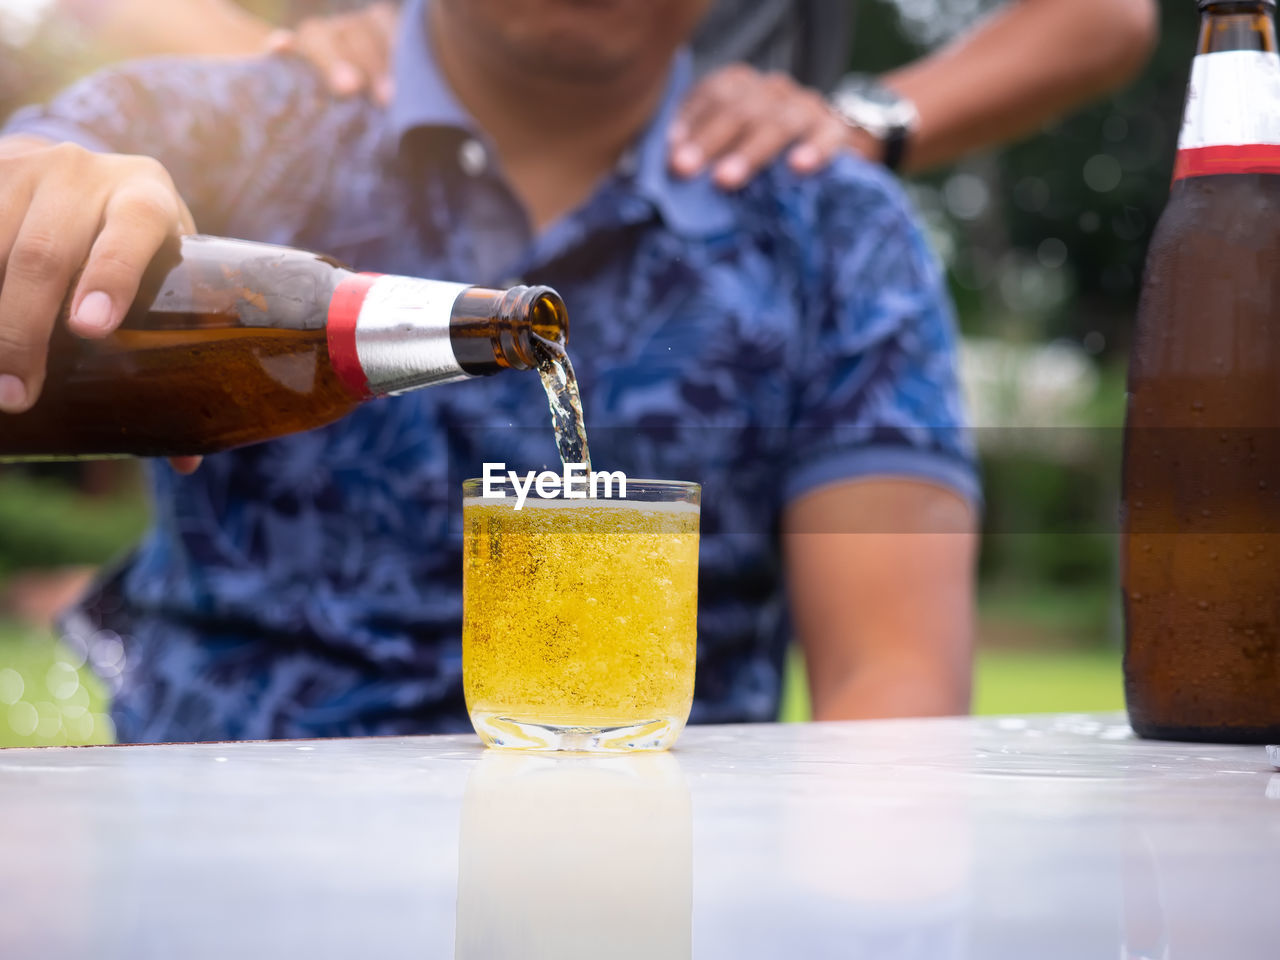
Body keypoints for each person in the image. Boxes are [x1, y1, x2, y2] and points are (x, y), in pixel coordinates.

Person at [3, 0, 976, 742]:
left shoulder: (834, 230)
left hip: (633, 893)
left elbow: (889, 693)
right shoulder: (206, 129)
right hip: (206, 891)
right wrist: (48, 201)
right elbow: (35, 181)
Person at [54, 0, 1158, 187]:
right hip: (377, 194)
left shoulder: (823, 242)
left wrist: (857, 128)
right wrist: (279, 67)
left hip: (712, 212)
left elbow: (1103, 15)